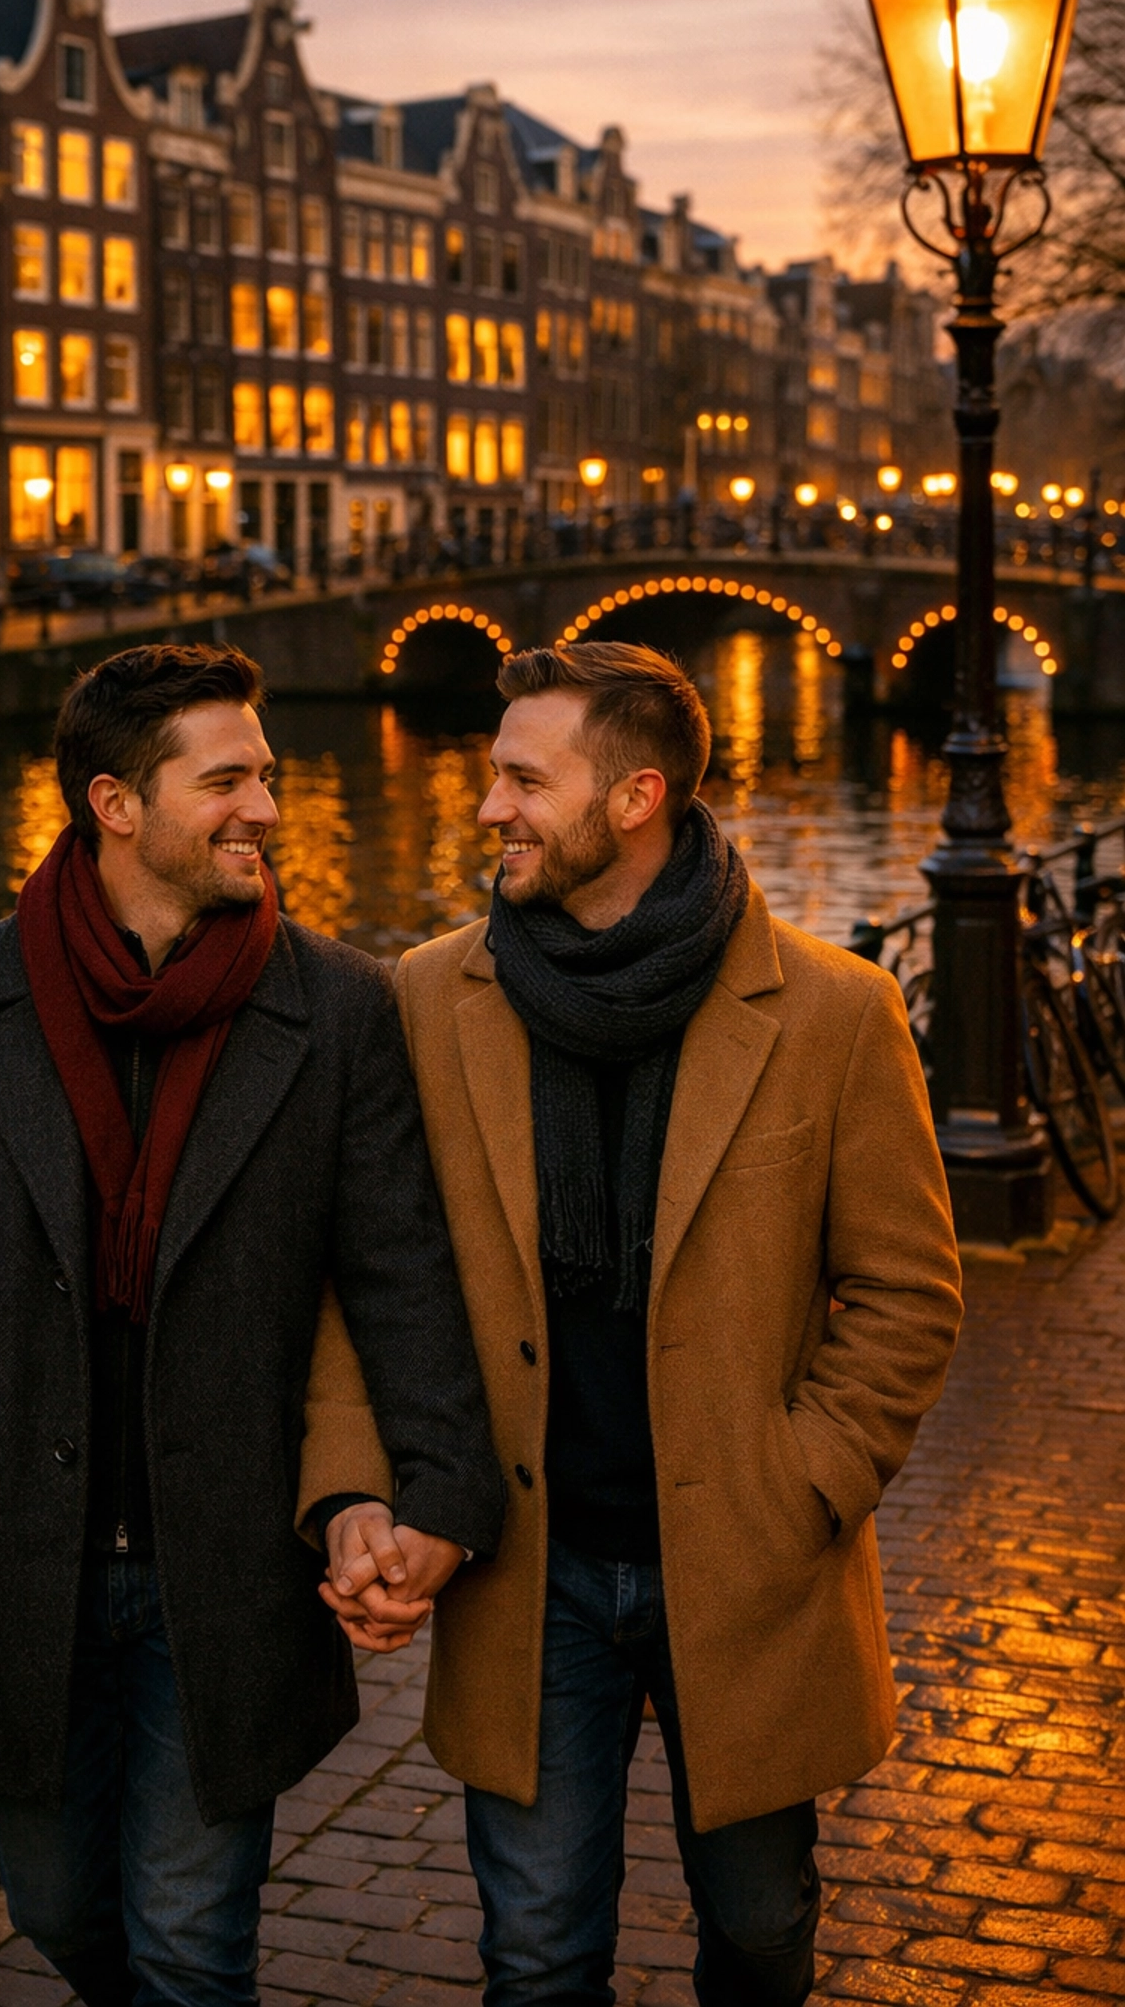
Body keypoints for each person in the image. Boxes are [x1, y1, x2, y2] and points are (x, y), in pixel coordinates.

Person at [0, 642, 503, 2007]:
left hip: (231, 1565)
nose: (267, 806)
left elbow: (399, 1273)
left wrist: (437, 1493)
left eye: (268, 775)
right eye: (230, 780)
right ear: (115, 803)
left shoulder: (336, 1006)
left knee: (194, 1954)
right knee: (63, 1913)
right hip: (26, 1555)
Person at [300, 640, 962, 2007]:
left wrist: (805, 1483)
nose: (489, 810)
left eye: (523, 782)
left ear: (639, 795)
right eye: (493, 778)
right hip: (526, 1567)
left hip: (750, 1560)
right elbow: (373, 1278)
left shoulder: (835, 1010)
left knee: (763, 1934)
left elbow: (907, 1296)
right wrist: (359, 1490)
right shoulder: (430, 994)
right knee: (536, 1954)